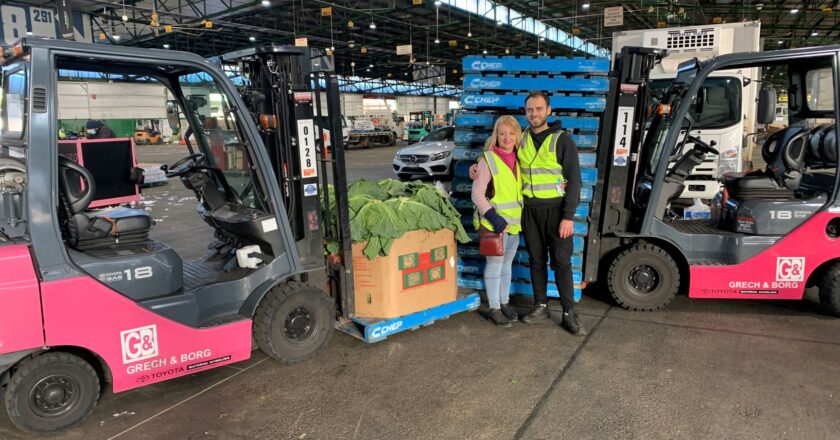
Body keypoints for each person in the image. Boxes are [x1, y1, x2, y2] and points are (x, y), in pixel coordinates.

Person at [470, 91, 584, 336]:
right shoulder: (522, 141)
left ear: (548, 110)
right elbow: (498, 158)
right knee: (536, 261)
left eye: (539, 109)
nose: (534, 114)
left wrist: (568, 216)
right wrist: (476, 169)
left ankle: (568, 312)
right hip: (530, 213)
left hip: (556, 212)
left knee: (562, 263)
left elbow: (574, 180)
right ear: (526, 113)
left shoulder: (562, 140)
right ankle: (540, 305)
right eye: (530, 110)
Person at [472, 115, 523, 327]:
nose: (506, 137)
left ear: (517, 135)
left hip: (514, 225)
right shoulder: (488, 159)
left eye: (511, 133)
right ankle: (494, 307)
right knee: (494, 266)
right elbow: (477, 195)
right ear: (496, 135)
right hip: (495, 225)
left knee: (506, 266)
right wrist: (495, 219)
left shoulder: (519, 158)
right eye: (502, 133)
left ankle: (504, 302)